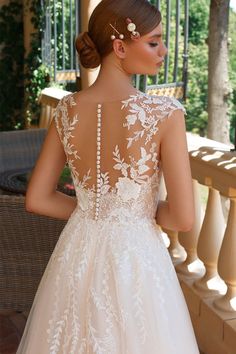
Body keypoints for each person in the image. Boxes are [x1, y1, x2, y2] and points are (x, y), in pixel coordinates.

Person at [17, 0, 200, 353]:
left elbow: (37, 199)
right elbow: (183, 218)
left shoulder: (67, 109)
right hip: (136, 257)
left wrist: (95, 210)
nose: (163, 51)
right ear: (119, 47)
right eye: (153, 42)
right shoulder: (165, 114)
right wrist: (134, 210)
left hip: (79, 249)